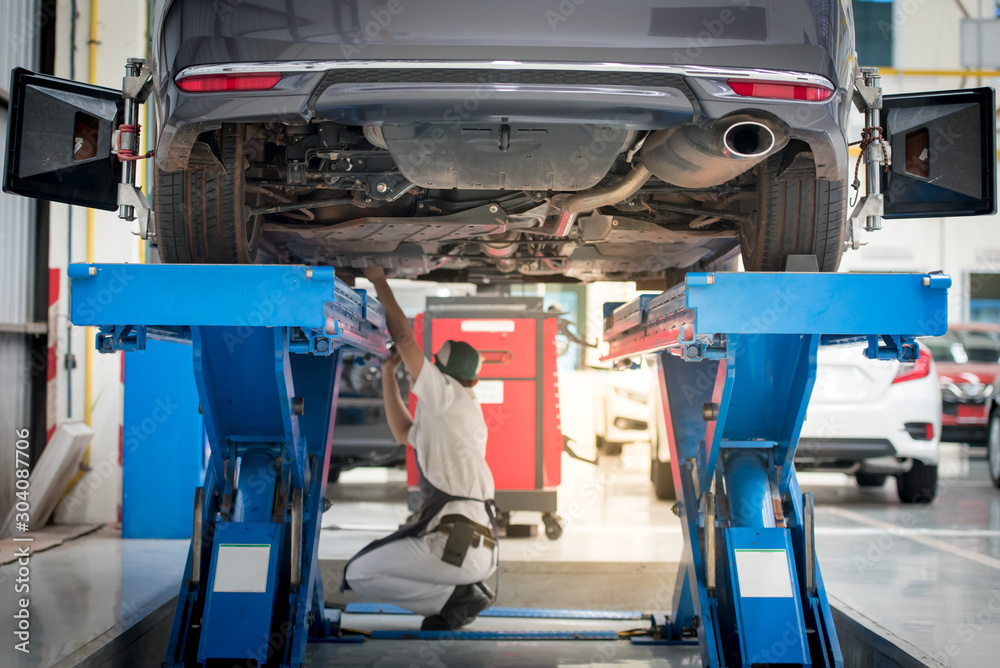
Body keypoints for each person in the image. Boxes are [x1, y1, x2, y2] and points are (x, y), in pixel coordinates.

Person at [341, 267, 498, 631]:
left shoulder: (448, 396)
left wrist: (378, 280)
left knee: (359, 572)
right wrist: (386, 376)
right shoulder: (449, 411)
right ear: (473, 378)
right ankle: (458, 595)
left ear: (441, 374)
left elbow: (403, 339)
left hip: (456, 545)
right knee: (363, 568)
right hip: (468, 546)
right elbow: (402, 432)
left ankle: (454, 599)